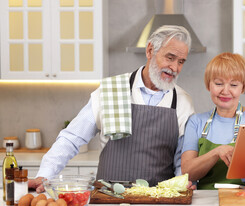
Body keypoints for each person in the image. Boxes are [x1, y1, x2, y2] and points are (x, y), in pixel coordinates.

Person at [29, 25, 195, 192]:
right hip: (109, 200)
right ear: (150, 50)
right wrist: (45, 174)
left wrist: (184, 183)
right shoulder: (112, 89)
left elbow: (182, 160)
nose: (175, 68)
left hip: (159, 202)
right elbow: (72, 138)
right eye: (170, 58)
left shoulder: (182, 101)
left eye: (181, 62)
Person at [181, 52, 245, 190]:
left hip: (243, 199)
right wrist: (217, 152)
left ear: (242, 87)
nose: (225, 91)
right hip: (205, 200)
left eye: (233, 85)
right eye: (218, 83)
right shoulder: (196, 122)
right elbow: (187, 172)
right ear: (208, 85)